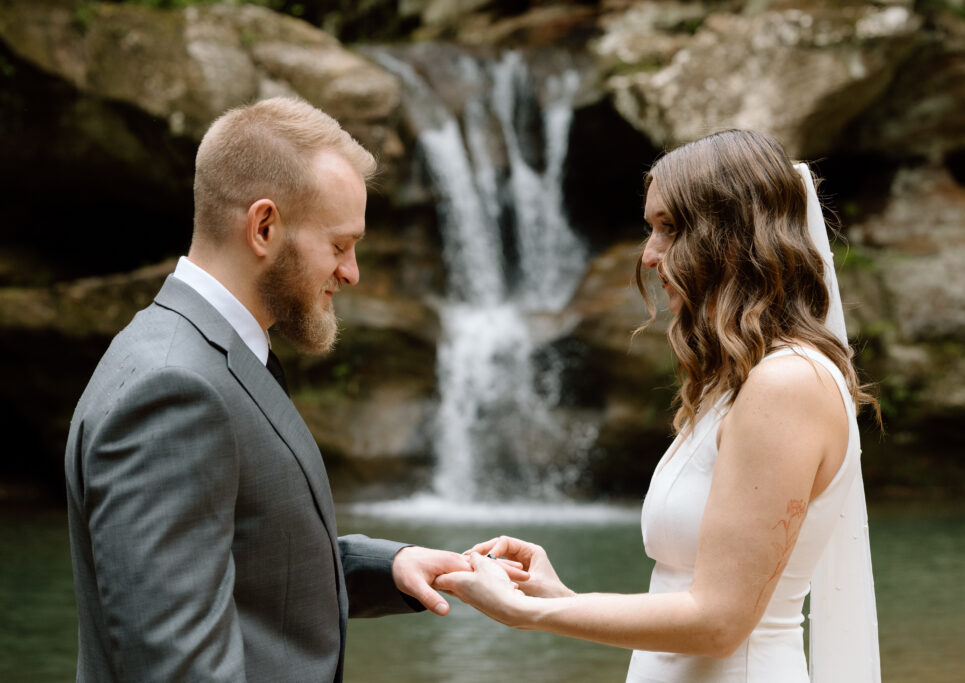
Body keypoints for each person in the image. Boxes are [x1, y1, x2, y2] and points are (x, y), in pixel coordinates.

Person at [434, 130, 882, 682]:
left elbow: (720, 622)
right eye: (651, 230)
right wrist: (561, 595)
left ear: (734, 235)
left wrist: (534, 613)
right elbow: (685, 596)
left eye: (668, 228)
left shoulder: (788, 382)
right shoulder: (735, 384)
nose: (648, 256)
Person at [64, 96, 471, 682]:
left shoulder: (194, 352)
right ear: (263, 227)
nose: (352, 272)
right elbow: (180, 668)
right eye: (339, 245)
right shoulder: (172, 390)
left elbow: (245, 563)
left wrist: (390, 565)